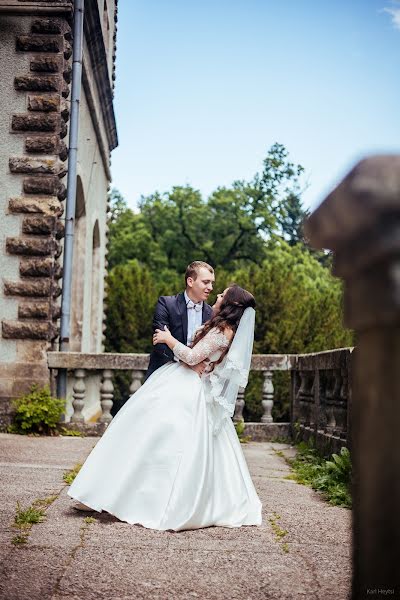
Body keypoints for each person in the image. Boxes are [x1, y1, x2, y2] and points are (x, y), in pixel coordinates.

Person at [68, 284, 262, 531]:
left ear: (230, 305)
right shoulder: (225, 329)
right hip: (184, 380)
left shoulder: (222, 330)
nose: (217, 295)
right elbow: (196, 359)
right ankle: (112, 491)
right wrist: (188, 359)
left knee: (154, 437)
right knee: (148, 435)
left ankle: (134, 496)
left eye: (222, 295)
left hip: (186, 389)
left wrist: (169, 339)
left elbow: (193, 357)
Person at [145, 260, 214, 380]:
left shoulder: (211, 313)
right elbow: (160, 343)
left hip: (198, 378)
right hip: (164, 375)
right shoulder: (166, 304)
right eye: (206, 282)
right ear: (190, 281)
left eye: (212, 283)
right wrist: (188, 363)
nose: (210, 288)